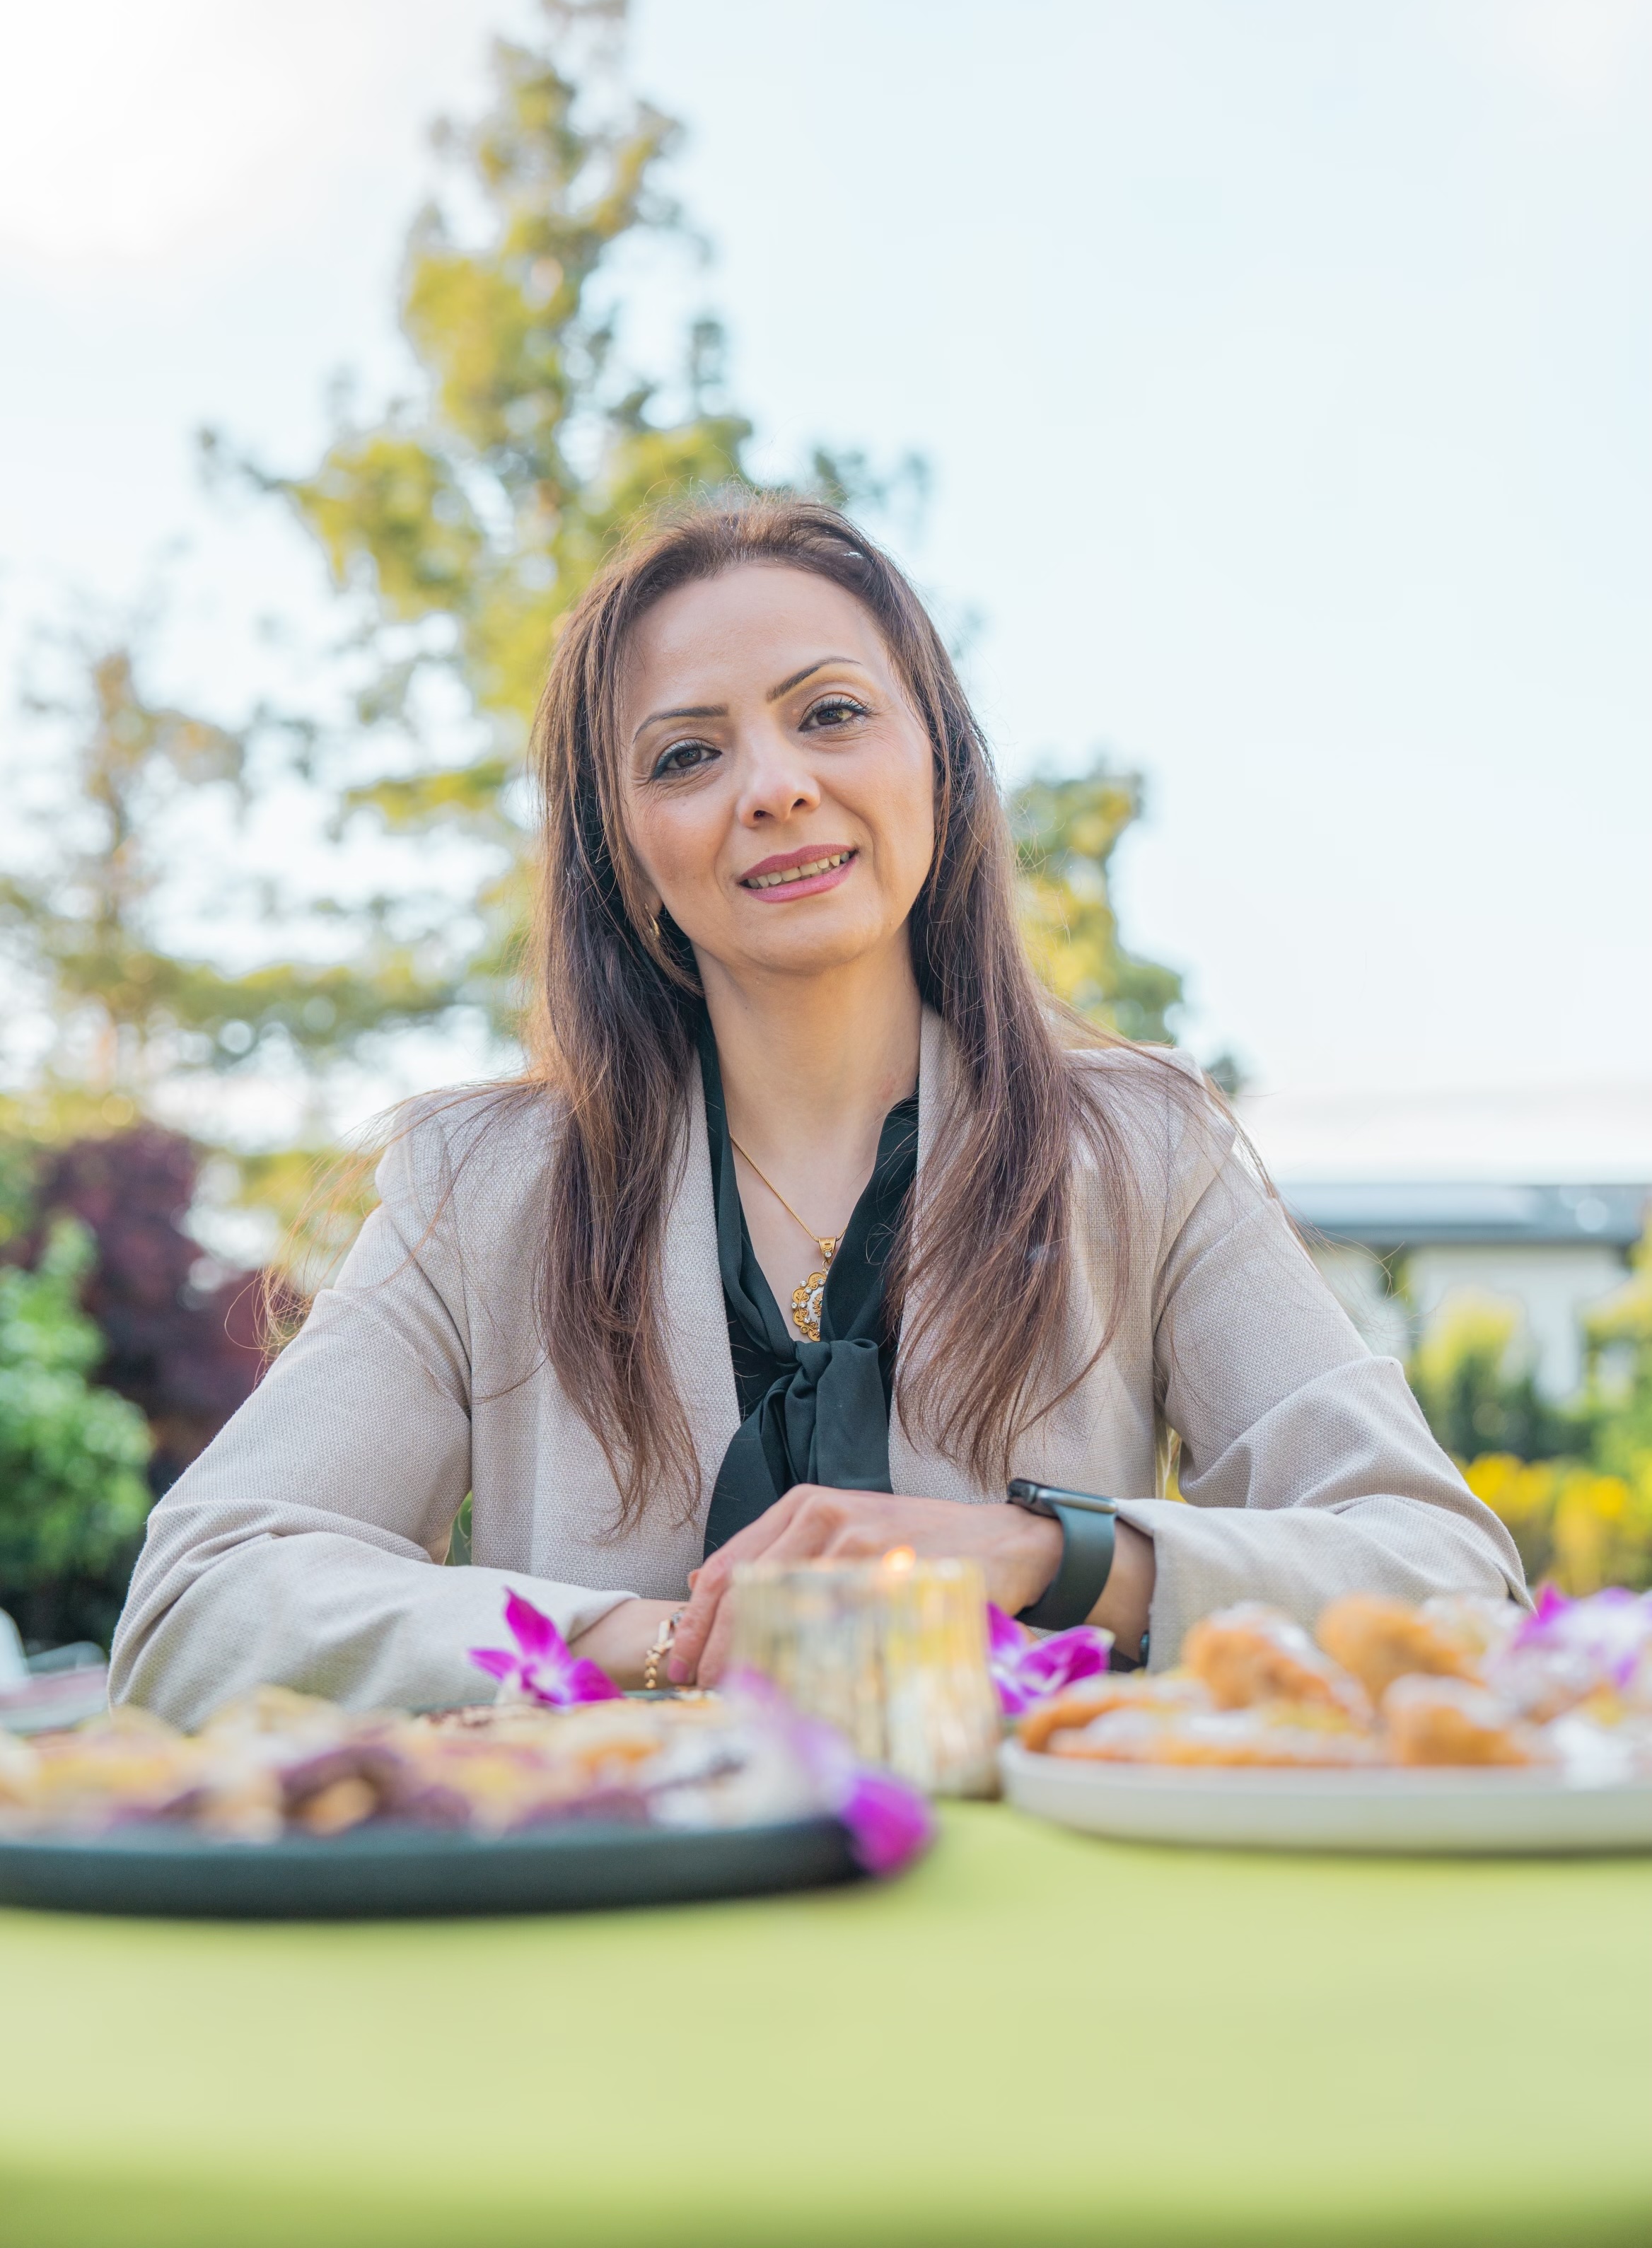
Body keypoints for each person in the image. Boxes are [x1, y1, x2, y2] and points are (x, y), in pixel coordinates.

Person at [112, 501, 1523, 1725]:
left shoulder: (1145, 1149)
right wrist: (646, 1642)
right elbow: (197, 1601)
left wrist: (1049, 1558)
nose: (777, 787)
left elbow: (1452, 1578)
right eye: (686, 756)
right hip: (611, 1921)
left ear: (938, 762)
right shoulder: (480, 1186)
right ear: (626, 854)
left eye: (831, 714)